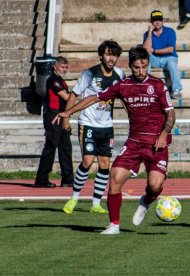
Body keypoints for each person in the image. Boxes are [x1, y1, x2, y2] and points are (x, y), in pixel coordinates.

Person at [52, 46, 176, 235]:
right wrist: (68, 112)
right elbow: (95, 97)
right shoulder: (123, 85)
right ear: (131, 66)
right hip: (134, 143)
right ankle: (114, 225)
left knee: (155, 186)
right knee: (115, 178)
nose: (141, 71)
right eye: (136, 67)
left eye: (144, 66)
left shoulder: (157, 85)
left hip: (156, 144)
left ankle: (146, 201)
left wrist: (163, 134)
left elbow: (171, 114)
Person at [62, 40, 125, 214]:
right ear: (101, 55)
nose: (111, 58)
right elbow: (73, 95)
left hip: (107, 125)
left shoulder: (120, 74)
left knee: (105, 164)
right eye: (107, 54)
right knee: (88, 161)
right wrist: (66, 118)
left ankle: (96, 204)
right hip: (88, 123)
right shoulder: (89, 74)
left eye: (114, 55)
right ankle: (74, 198)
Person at [34, 56, 74, 188]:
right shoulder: (53, 80)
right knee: (51, 146)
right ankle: (41, 179)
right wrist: (78, 97)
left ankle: (68, 179)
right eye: (62, 67)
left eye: (66, 67)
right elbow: (67, 97)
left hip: (62, 116)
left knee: (66, 147)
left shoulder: (61, 81)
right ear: (55, 67)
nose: (65, 69)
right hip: (53, 115)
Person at [143, 10, 183, 99]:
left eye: (159, 20)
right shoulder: (147, 33)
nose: (157, 22)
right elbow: (146, 49)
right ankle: (146, 87)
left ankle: (177, 90)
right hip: (154, 59)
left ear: (162, 21)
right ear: (151, 22)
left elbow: (170, 49)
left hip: (168, 58)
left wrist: (154, 50)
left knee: (172, 63)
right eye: (155, 20)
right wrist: (149, 33)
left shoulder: (170, 31)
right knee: (145, 57)